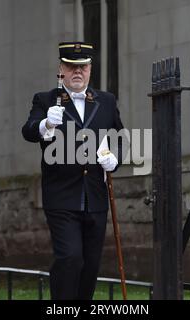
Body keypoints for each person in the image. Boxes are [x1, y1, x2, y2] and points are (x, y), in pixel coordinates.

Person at [22, 42, 125, 300]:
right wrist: (46, 123)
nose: (77, 71)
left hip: (95, 196)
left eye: (83, 66)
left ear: (90, 69)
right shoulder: (45, 99)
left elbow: (120, 136)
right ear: (61, 69)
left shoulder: (106, 100)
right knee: (70, 257)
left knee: (90, 265)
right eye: (71, 66)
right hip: (61, 196)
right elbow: (29, 131)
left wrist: (116, 158)